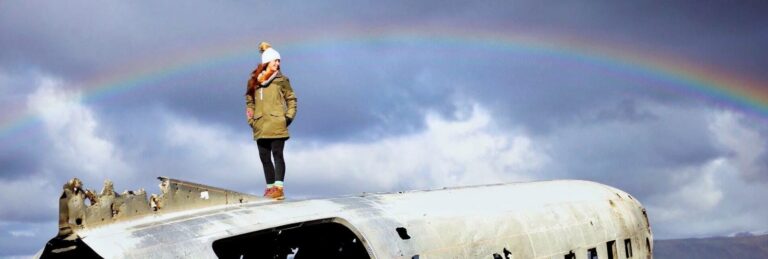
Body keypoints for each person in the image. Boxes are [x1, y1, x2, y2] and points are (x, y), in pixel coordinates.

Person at [245, 42, 297, 200]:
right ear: (267, 61)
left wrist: (287, 117)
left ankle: (279, 188)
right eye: (275, 60)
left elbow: (292, 99)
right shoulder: (254, 82)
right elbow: (249, 102)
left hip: (277, 123)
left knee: (277, 154)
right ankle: (269, 188)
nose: (278, 63)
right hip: (260, 125)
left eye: (279, 61)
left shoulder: (282, 80)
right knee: (264, 157)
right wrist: (251, 120)